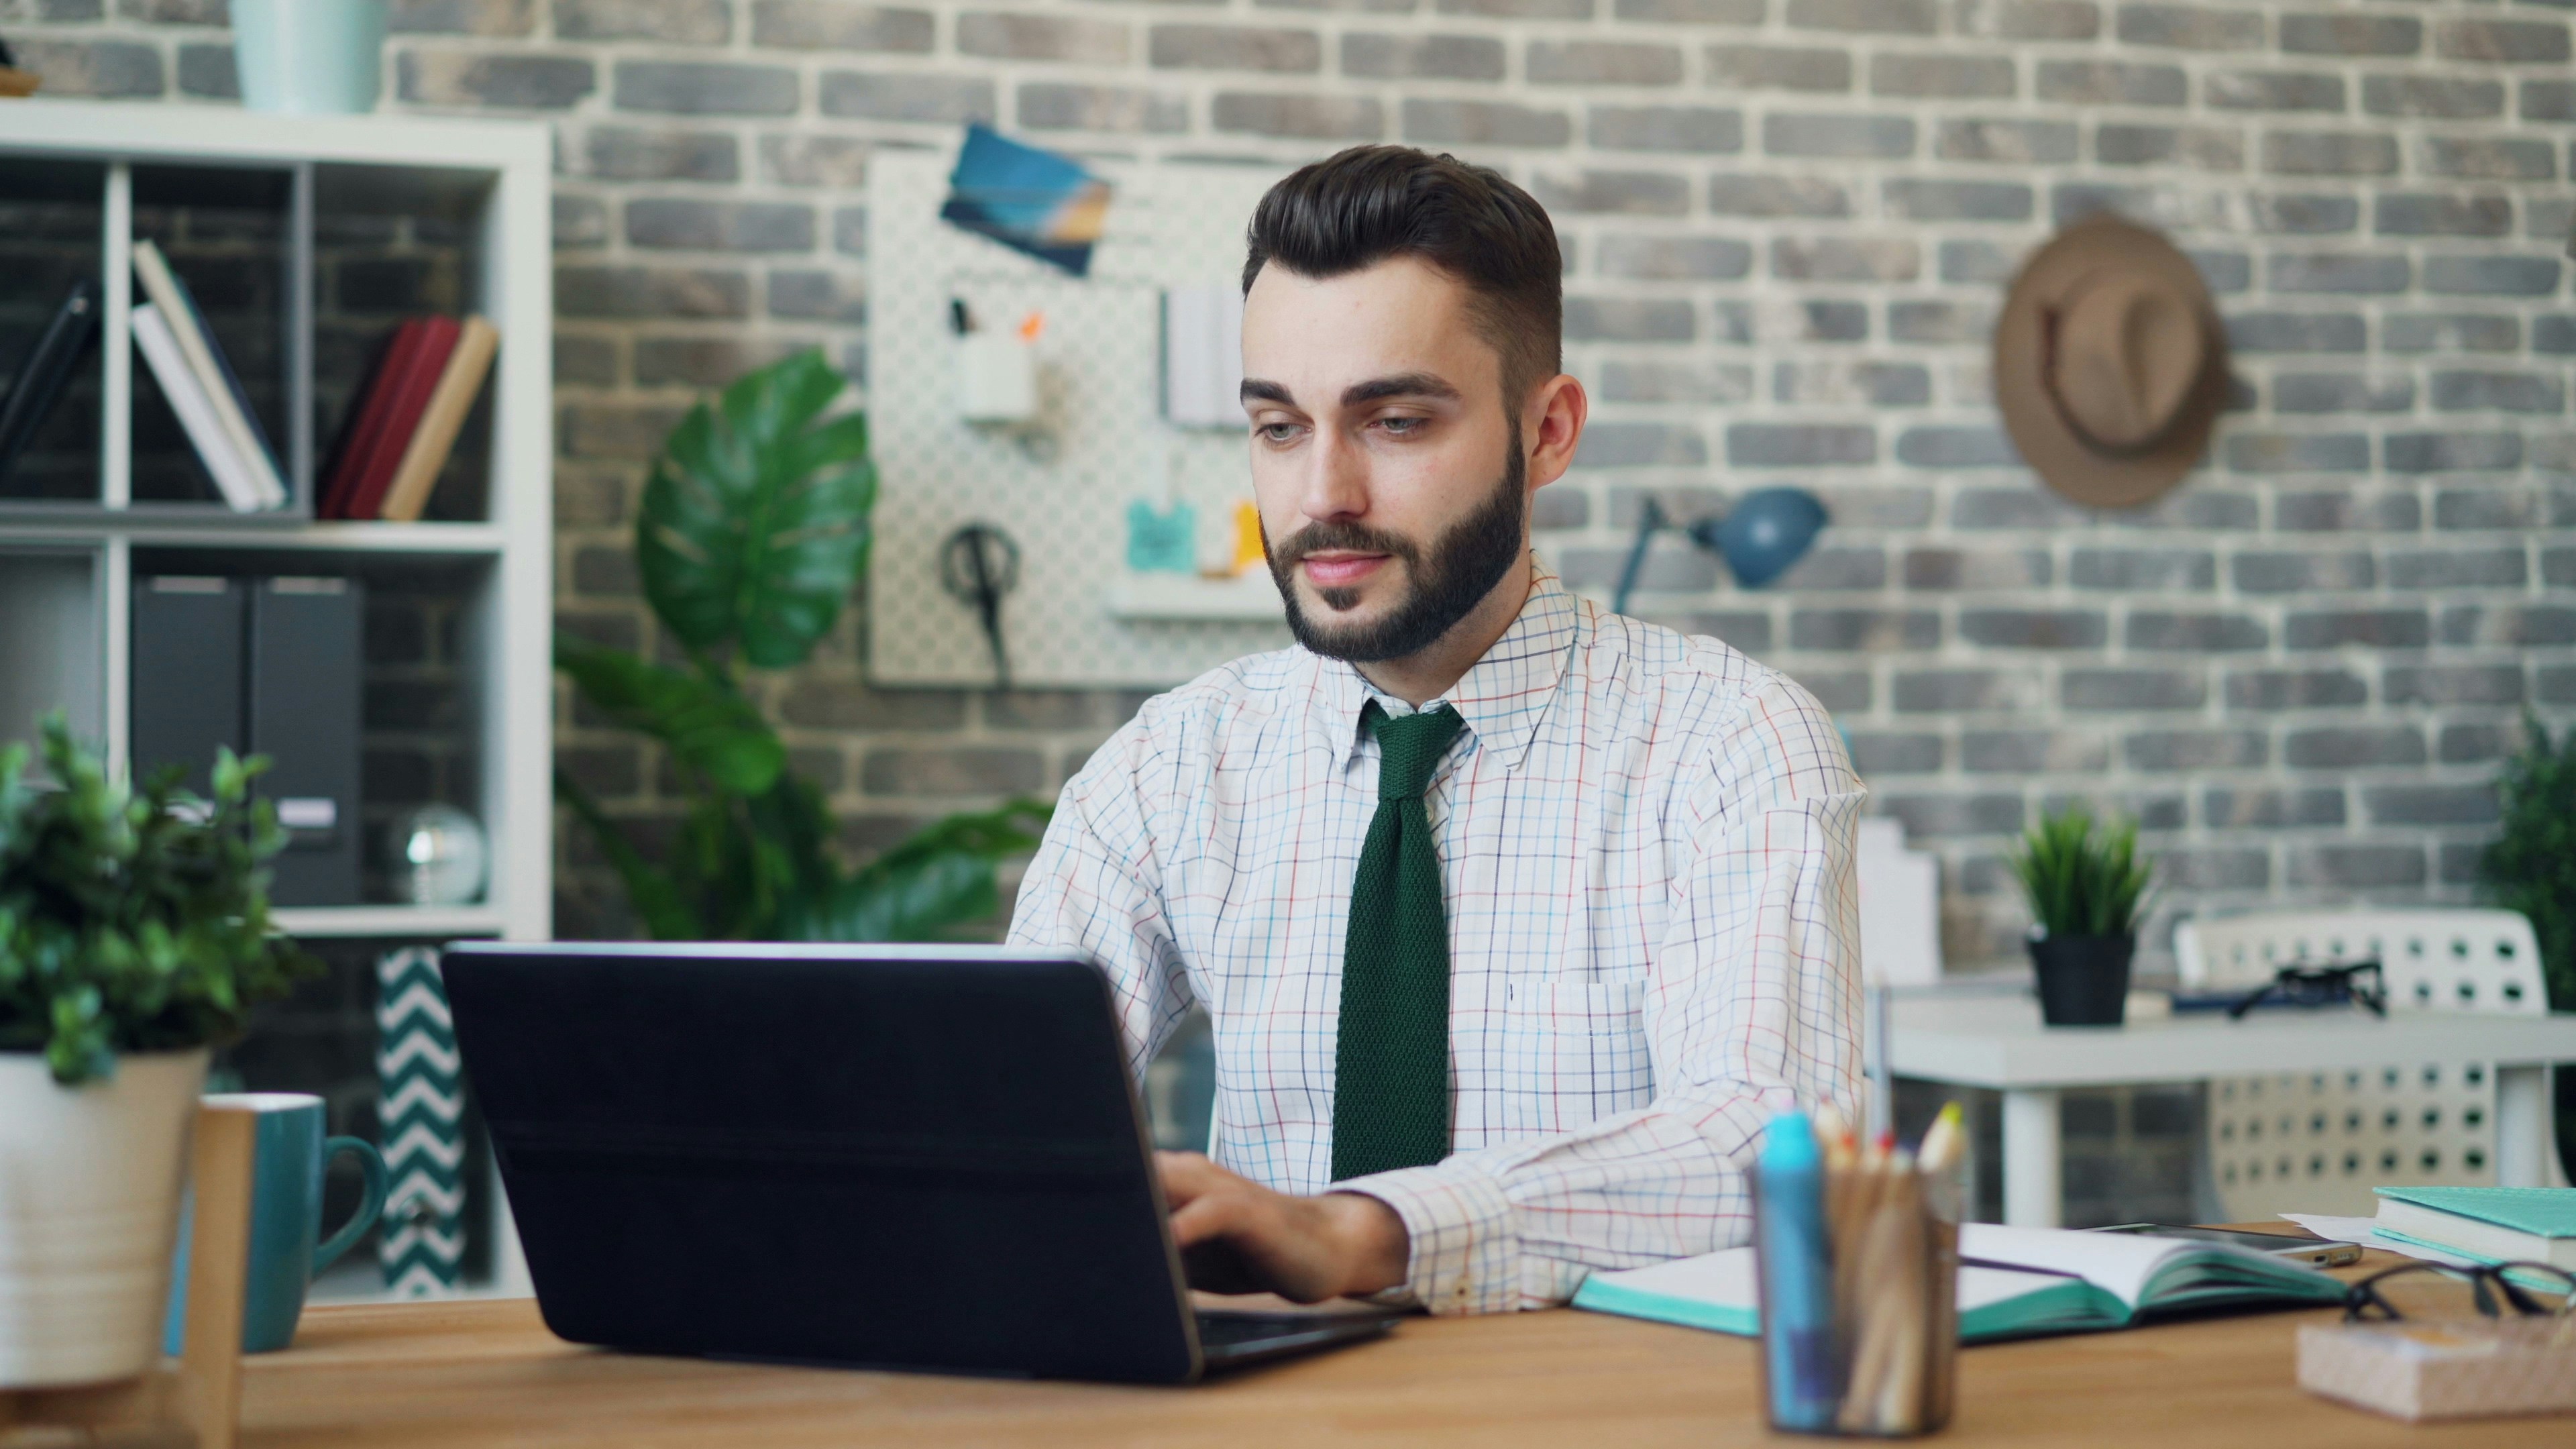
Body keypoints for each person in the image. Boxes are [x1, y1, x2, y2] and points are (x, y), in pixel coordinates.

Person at [1007, 145, 1863, 1316]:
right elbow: (1005, 1117)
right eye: (1277, 427)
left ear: (1549, 431)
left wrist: (1369, 1235)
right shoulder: (1167, 769)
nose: (1321, 496)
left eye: (1395, 421)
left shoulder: (1732, 745)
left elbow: (1769, 1150)